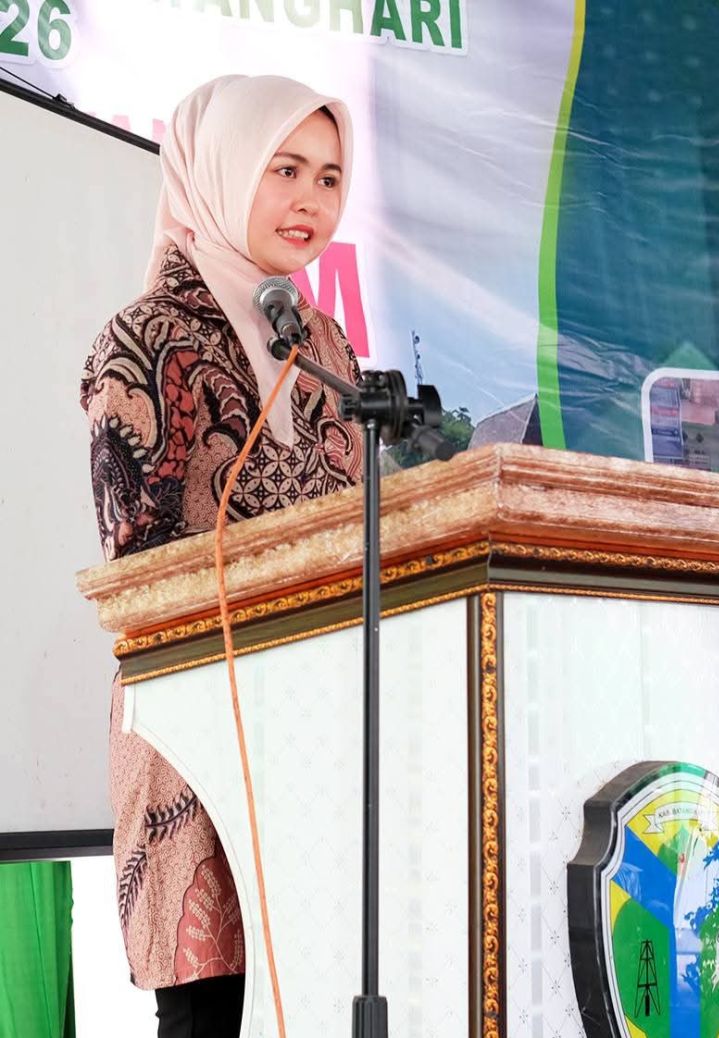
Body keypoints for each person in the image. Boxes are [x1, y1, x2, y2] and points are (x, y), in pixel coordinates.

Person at [80, 76, 363, 1036]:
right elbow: (140, 574)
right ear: (223, 170)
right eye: (285, 169)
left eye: (329, 178)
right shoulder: (143, 338)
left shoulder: (326, 347)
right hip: (203, 733)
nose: (310, 199)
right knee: (213, 1011)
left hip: (325, 729)